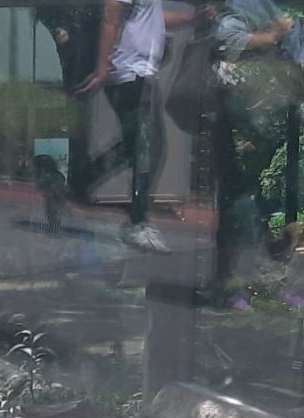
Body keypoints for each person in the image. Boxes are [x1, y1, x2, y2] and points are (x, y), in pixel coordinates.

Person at [73, 0, 210, 253]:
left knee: (137, 145)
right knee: (150, 147)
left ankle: (80, 181)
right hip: (130, 73)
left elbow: (153, 17)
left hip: (137, 74)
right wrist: (103, 69)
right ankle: (138, 222)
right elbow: (111, 15)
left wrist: (191, 20)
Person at [213, 0, 304, 305]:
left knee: (278, 204)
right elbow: (226, 40)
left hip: (283, 115)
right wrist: (272, 36)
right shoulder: (244, 6)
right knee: (243, 202)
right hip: (247, 116)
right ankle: (234, 285)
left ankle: (276, 281)